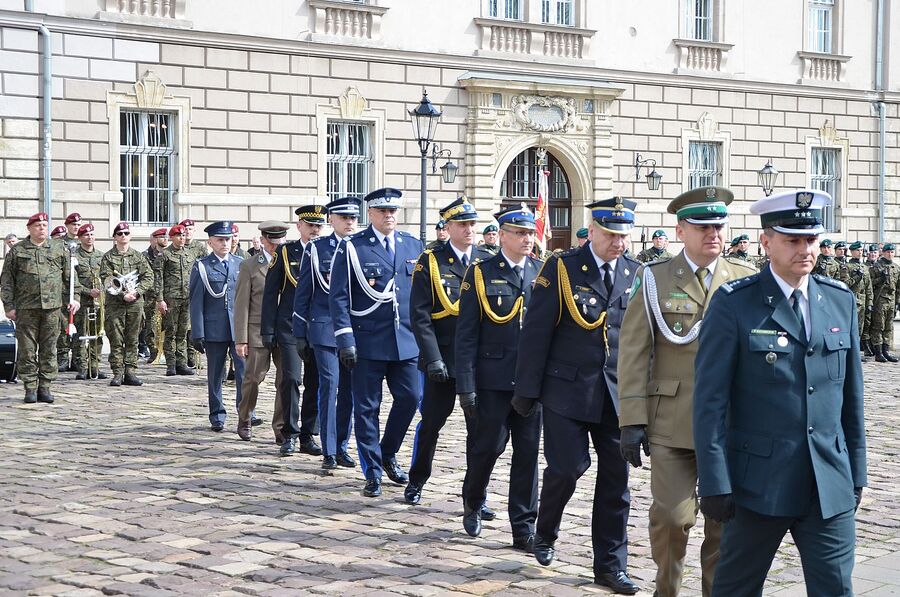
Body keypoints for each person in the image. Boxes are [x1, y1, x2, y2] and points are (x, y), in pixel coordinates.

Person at [693, 188, 867, 596]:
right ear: (766, 242)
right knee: (735, 589)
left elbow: (851, 398)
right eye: (792, 239)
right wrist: (715, 480)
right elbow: (710, 402)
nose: (805, 249)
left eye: (812, 240)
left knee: (836, 589)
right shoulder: (735, 304)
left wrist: (856, 470)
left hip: (827, 481)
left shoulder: (839, 301)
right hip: (757, 485)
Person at [617, 187, 756, 597]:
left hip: (731, 423)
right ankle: (668, 588)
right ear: (681, 230)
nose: (713, 234)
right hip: (672, 421)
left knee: (724, 522)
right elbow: (634, 351)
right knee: (671, 517)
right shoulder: (656, 278)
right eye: (702, 227)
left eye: (718, 226)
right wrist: (632, 418)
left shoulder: (745, 279)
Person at [513, 197, 641, 594]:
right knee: (567, 468)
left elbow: (640, 342)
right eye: (611, 235)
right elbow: (536, 332)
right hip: (566, 391)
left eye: (624, 235)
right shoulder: (562, 268)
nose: (618, 243)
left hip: (616, 395)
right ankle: (545, 530)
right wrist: (526, 391)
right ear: (595, 230)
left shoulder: (636, 274)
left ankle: (609, 565)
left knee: (617, 483)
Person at [454, 204, 543, 552]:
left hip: (530, 383)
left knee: (527, 456)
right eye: (519, 233)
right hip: (492, 381)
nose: (526, 239)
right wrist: (466, 386)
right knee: (487, 448)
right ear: (502, 235)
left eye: (530, 233)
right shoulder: (481, 274)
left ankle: (523, 526)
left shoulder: (543, 273)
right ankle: (473, 500)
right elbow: (466, 336)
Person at [329, 187, 423, 498]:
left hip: (405, 340)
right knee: (367, 407)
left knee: (411, 397)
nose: (389, 216)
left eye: (393, 211)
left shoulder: (413, 245)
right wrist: (345, 339)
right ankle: (372, 471)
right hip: (367, 340)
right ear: (370, 214)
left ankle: (387, 452)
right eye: (383, 211)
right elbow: (339, 296)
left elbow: (420, 296)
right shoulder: (353, 247)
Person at [405, 196, 494, 503]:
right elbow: (420, 315)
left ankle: (476, 496)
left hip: (477, 363)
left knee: (479, 432)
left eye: (472, 223)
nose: (469, 229)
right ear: (448, 227)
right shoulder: (431, 261)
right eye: (462, 224)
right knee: (431, 423)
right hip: (441, 358)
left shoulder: (486, 260)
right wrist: (432, 358)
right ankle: (417, 479)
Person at [293, 197, 361, 468]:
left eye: (353, 218)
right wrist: (300, 331)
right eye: (344, 218)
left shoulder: (363, 247)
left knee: (350, 391)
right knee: (329, 385)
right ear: (331, 220)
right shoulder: (318, 249)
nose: (350, 223)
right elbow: (304, 292)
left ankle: (342, 444)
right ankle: (330, 449)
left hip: (356, 330)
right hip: (325, 328)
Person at [261, 205, 323, 457]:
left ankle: (309, 433)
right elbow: (270, 293)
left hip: (318, 327)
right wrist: (267, 329)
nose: (315, 230)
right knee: (291, 379)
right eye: (310, 225)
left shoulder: (329, 250)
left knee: (315, 382)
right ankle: (290, 433)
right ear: (300, 227)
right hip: (289, 327)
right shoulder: (286, 252)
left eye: (319, 225)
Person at [0, 212, 80, 403]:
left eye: (44, 225)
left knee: (49, 348)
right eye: (37, 225)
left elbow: (70, 278)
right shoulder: (18, 251)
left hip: (52, 308)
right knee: (27, 350)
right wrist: (9, 306)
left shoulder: (58, 249)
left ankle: (45, 386)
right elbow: (7, 281)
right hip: (26, 309)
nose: (42, 228)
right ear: (29, 228)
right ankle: (30, 387)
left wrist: (75, 297)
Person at [189, 221, 246, 432]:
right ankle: (217, 415)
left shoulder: (241, 264)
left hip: (238, 328)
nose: (225, 243)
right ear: (210, 242)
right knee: (215, 375)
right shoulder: (202, 266)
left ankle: (246, 412)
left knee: (244, 373)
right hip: (214, 329)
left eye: (228, 239)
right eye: (220, 240)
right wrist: (197, 332)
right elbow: (196, 301)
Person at [235, 222, 288, 442]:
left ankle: (281, 427)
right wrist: (241, 338)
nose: (275, 247)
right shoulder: (250, 265)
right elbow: (242, 304)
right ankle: (245, 417)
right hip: (256, 330)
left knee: (285, 380)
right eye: (271, 243)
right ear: (263, 240)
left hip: (284, 330)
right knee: (253, 378)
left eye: (279, 243)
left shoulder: (291, 262)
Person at [100, 222, 154, 387]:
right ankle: (117, 372)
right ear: (115, 237)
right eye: (120, 233)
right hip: (115, 305)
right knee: (116, 339)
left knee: (133, 339)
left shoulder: (138, 257)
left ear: (130, 236)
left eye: (126, 233)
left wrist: (136, 293)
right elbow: (107, 279)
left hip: (135, 304)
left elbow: (148, 277)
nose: (123, 236)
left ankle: (130, 371)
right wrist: (124, 294)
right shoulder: (108, 257)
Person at [154, 225, 195, 376]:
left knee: (183, 332)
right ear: (172, 237)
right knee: (170, 331)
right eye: (178, 235)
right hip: (171, 298)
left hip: (187, 297)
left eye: (184, 235)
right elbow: (158, 278)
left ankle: (182, 363)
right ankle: (171, 364)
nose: (182, 238)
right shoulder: (165, 254)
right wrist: (160, 299)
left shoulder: (190, 254)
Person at [73, 223, 107, 380]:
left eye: (92, 234)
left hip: (98, 302)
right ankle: (81, 367)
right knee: (81, 336)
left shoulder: (101, 256)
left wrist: (102, 290)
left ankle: (95, 367)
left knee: (97, 335)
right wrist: (88, 291)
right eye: (86, 235)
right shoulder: (74, 257)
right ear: (80, 238)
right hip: (82, 301)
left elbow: (107, 278)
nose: (90, 237)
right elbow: (71, 280)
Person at [140, 228, 168, 361]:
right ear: (155, 239)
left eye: (166, 237)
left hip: (167, 295)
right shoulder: (145, 256)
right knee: (150, 325)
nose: (166, 239)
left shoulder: (169, 254)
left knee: (169, 325)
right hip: (150, 296)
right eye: (162, 237)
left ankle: (167, 352)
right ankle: (153, 351)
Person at [870, 242, 900, 363]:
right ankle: (878, 352)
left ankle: (886, 351)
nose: (890, 254)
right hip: (880, 300)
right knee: (878, 326)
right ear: (883, 253)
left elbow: (898, 287)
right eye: (888, 252)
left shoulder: (896, 267)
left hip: (891, 300)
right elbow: (870, 284)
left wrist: (898, 302)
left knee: (888, 326)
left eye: (892, 252)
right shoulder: (877, 266)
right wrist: (881, 278)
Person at [846, 241, 874, 362]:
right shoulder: (846, 267)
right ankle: (849, 353)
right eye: (858, 250)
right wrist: (857, 276)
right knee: (850, 328)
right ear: (852, 252)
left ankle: (856, 353)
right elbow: (845, 284)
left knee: (859, 328)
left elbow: (869, 287)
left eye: (861, 250)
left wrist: (870, 303)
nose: (860, 252)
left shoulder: (864, 267)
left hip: (862, 301)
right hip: (851, 300)